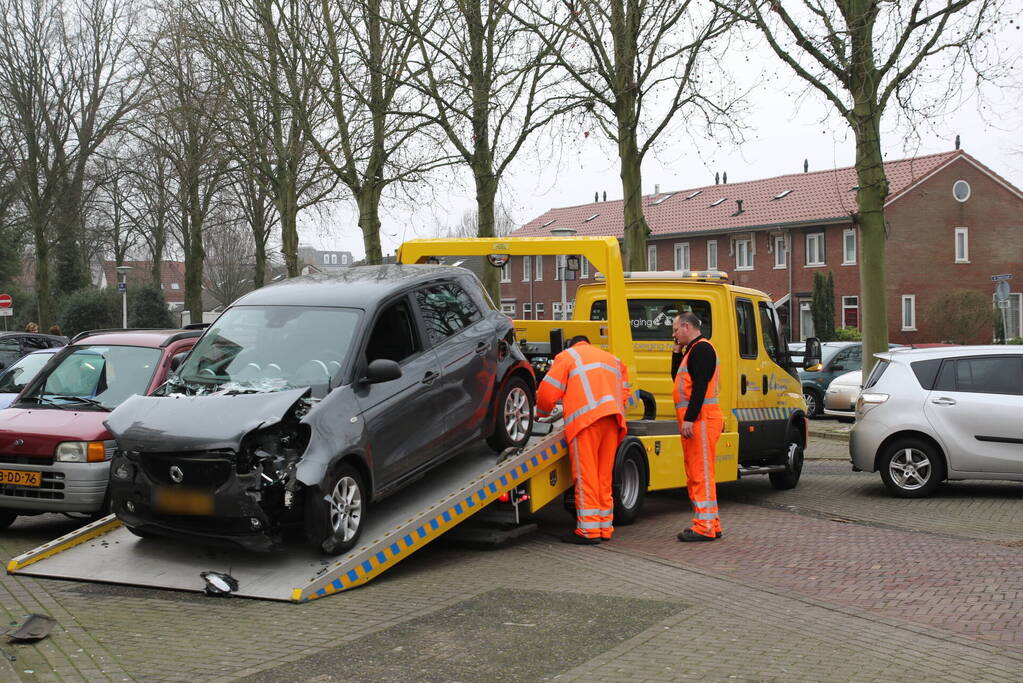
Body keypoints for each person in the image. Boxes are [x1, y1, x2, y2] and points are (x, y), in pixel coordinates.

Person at [536, 335, 629, 544]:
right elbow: (625, 391)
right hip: (612, 421)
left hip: (586, 422)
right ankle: (605, 527)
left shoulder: (567, 356)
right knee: (603, 476)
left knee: (586, 476)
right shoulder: (612, 359)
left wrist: (540, 413)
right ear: (588, 343)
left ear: (572, 344)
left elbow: (548, 392)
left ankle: (588, 531)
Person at [671, 312, 724, 542]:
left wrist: (689, 419)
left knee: (700, 474)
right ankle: (711, 523)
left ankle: (704, 527)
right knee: (699, 473)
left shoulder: (701, 350)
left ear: (686, 327)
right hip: (700, 421)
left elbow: (700, 387)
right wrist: (676, 352)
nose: (673, 334)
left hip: (701, 421)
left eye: (675, 330)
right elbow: (677, 378)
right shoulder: (693, 351)